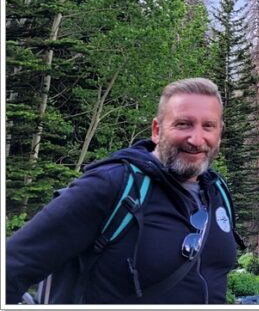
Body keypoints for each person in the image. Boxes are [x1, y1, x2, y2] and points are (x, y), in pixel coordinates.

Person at [6, 78, 244, 304]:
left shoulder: (216, 192)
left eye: (208, 126)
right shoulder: (110, 186)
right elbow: (13, 264)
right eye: (183, 124)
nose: (196, 138)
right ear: (156, 130)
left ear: (219, 132)